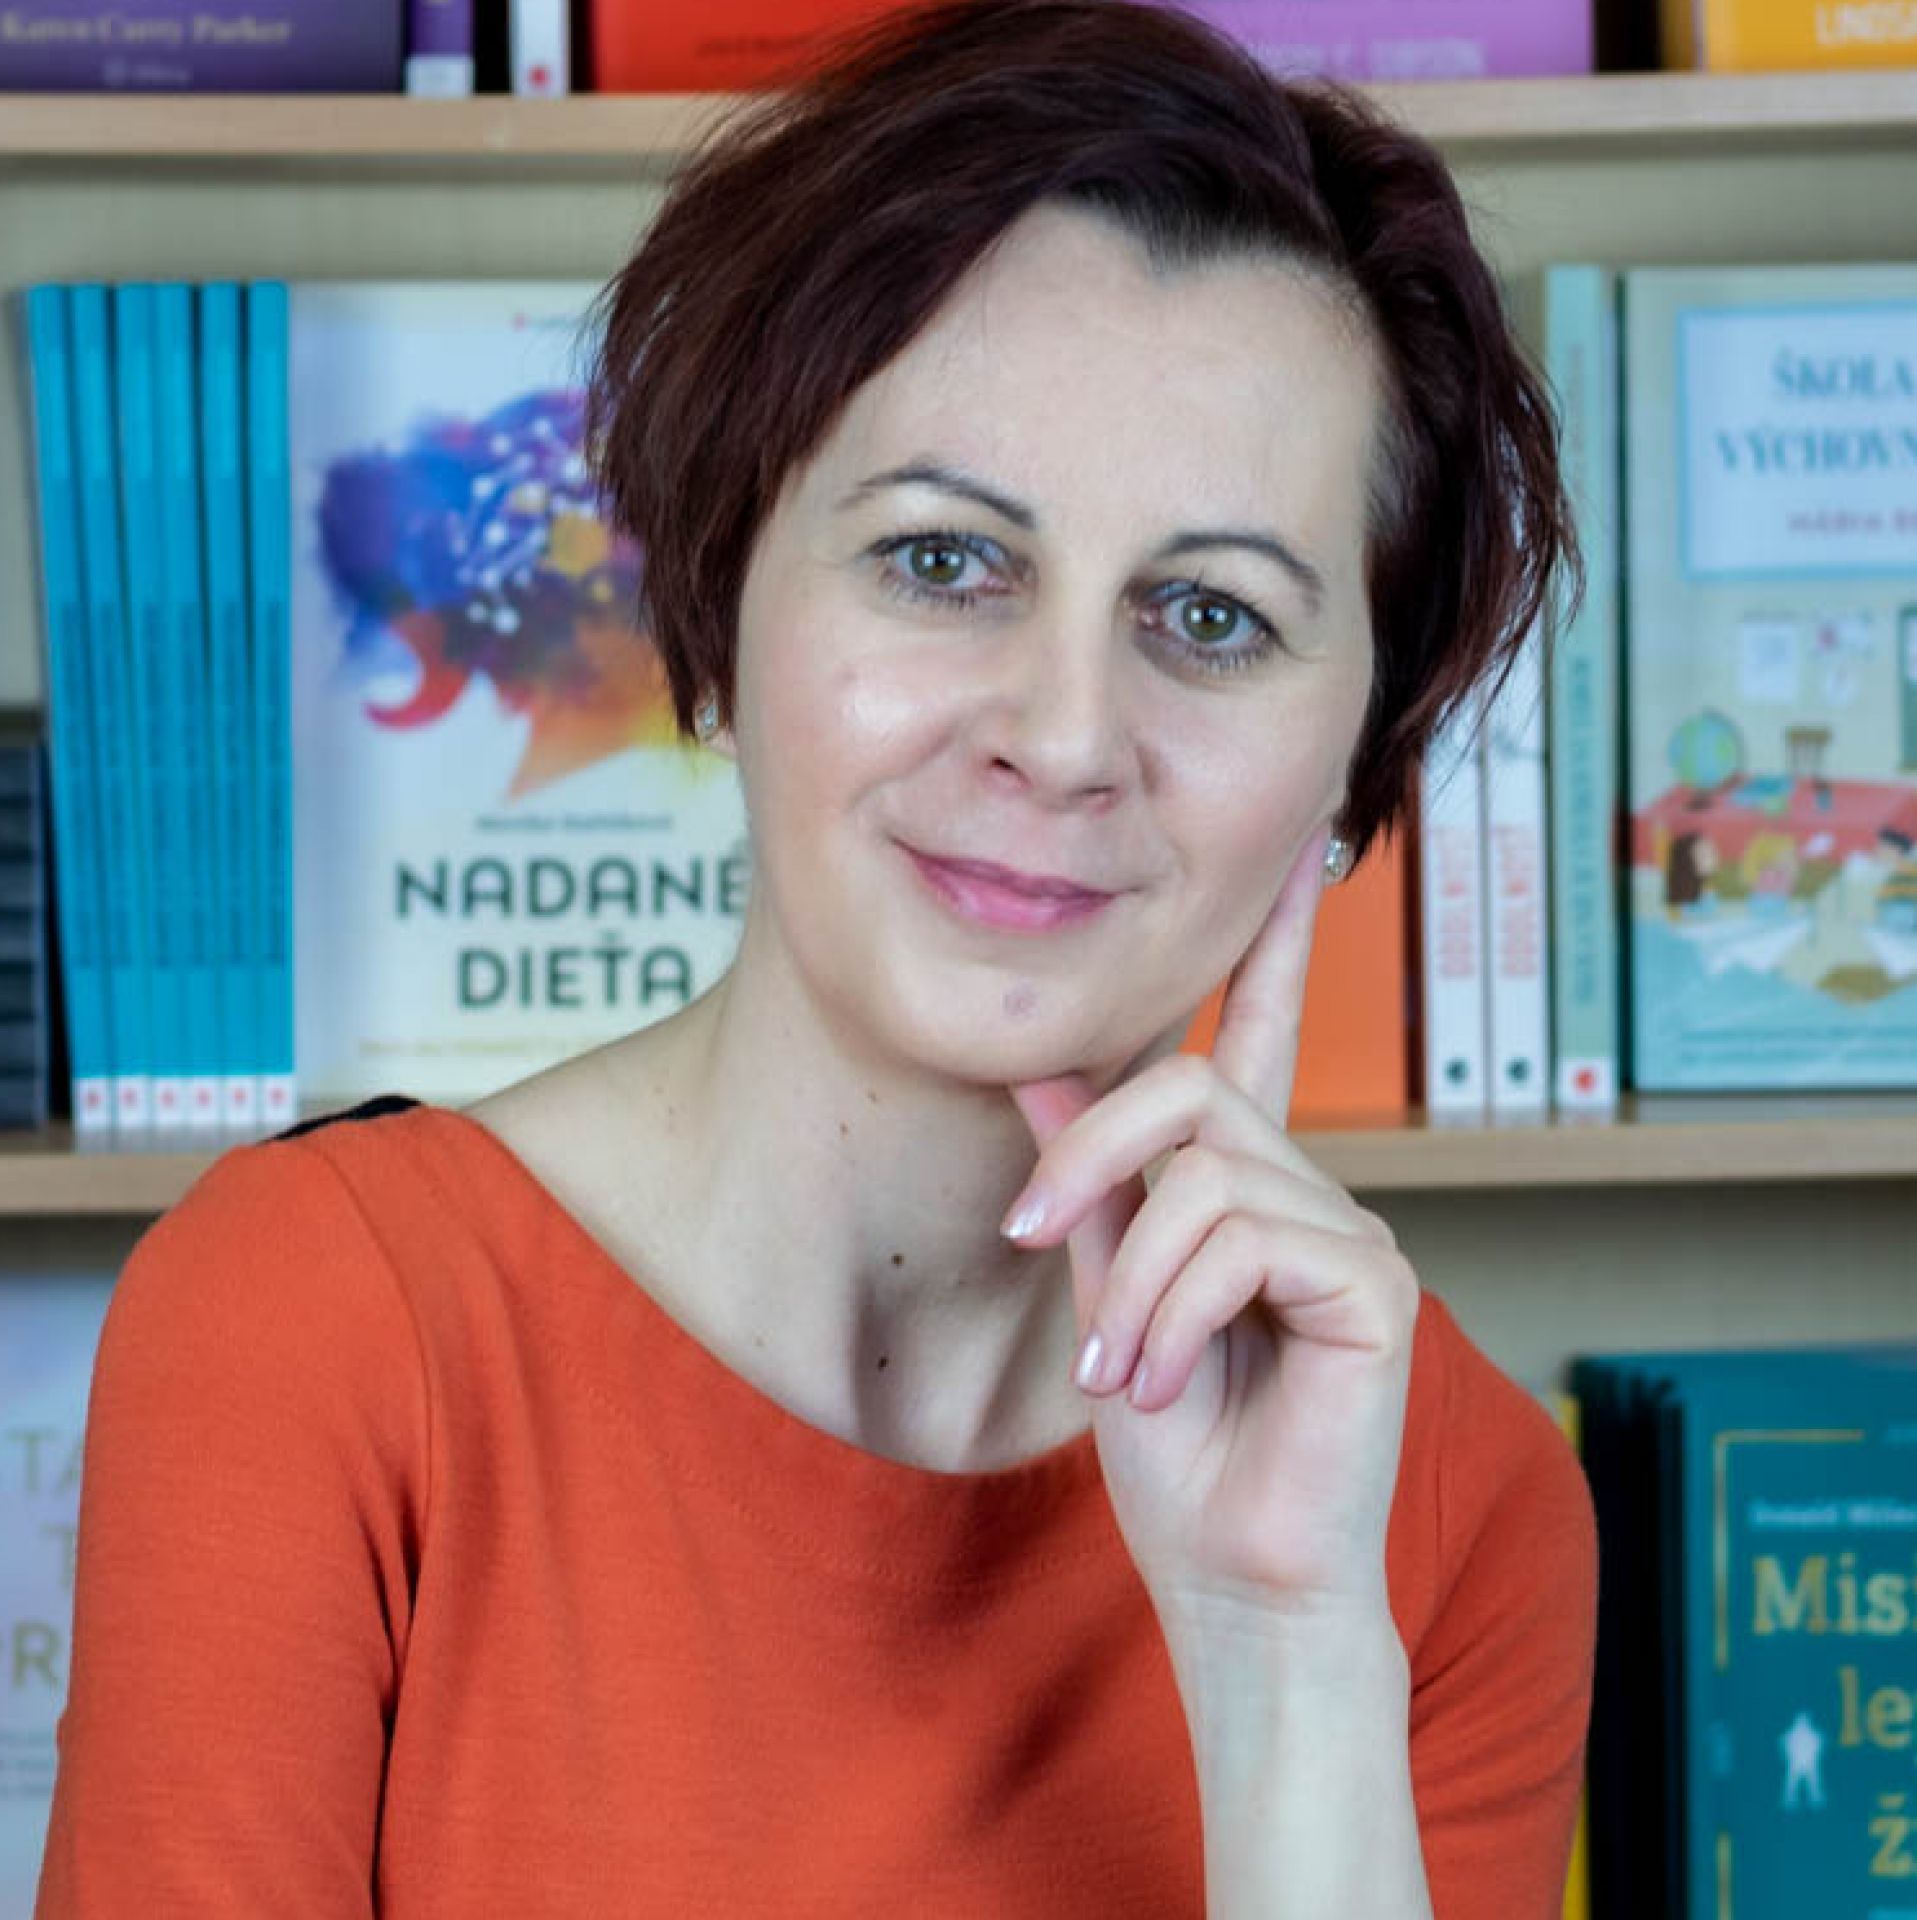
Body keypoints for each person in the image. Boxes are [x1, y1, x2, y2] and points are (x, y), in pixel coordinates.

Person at [35, 1, 1597, 1914]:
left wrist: (1284, 1653)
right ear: (717, 608)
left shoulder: (1450, 1502)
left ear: (1358, 767)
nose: (1063, 735)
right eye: (942, 561)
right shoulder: (317, 1326)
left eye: (1208, 615)